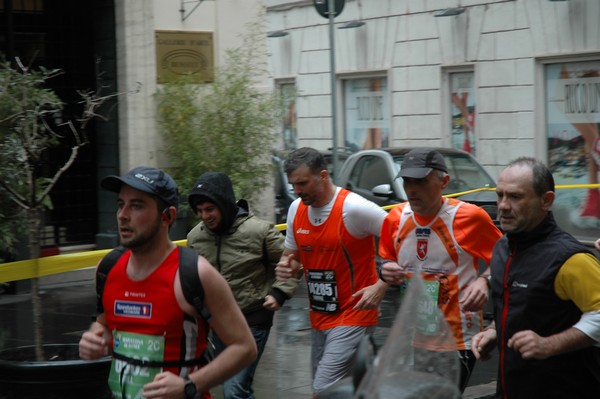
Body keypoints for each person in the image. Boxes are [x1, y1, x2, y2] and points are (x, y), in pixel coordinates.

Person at [79, 166, 257, 399]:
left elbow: (244, 348)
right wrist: (95, 338)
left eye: (136, 205)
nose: (122, 215)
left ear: (168, 216)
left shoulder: (196, 274)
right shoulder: (108, 268)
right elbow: (103, 324)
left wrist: (188, 385)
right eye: (121, 204)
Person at [472, 157, 600, 399]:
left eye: (515, 197)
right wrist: (494, 331)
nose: (503, 205)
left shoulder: (570, 257)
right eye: (500, 195)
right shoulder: (502, 247)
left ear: (546, 200)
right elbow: (521, 306)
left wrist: (549, 344)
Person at [378, 147, 502, 392]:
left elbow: (507, 259)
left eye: (421, 181)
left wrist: (484, 280)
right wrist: (385, 270)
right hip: (415, 335)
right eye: (407, 181)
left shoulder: (469, 217)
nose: (411, 190)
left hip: (457, 339)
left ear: (443, 181)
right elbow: (384, 260)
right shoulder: (395, 218)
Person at [274, 147, 389, 397]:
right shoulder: (296, 209)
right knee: (344, 389)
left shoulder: (355, 208)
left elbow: (402, 236)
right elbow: (291, 256)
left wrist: (381, 286)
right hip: (319, 316)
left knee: (322, 389)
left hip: (355, 313)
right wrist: (288, 267)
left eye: (303, 183)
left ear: (323, 176)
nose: (297, 191)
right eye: (293, 185)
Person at [186, 171, 300, 399]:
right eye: (199, 211)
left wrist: (279, 293)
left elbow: (292, 263)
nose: (204, 216)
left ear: (224, 204)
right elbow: (191, 277)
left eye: (209, 209)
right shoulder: (195, 237)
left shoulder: (259, 231)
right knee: (240, 390)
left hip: (253, 320)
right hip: (218, 324)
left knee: (234, 390)